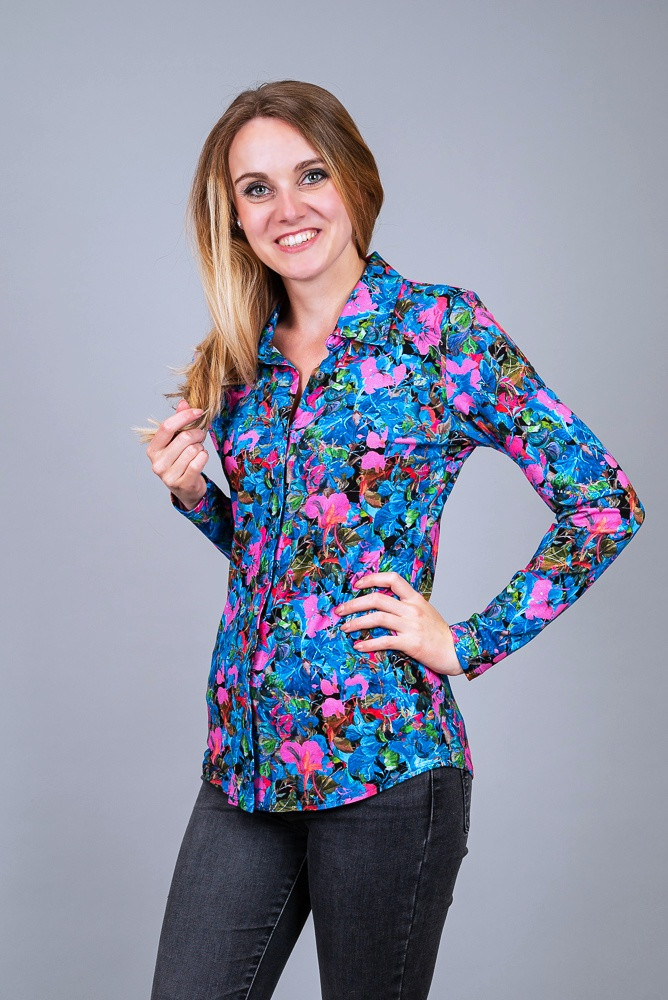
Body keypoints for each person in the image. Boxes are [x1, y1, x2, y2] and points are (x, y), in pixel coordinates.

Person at [135, 79, 646, 1000]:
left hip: (385, 763)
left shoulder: (441, 331)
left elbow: (603, 503)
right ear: (235, 217)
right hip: (246, 764)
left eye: (310, 175)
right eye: (257, 189)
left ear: (354, 180)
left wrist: (467, 642)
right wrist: (194, 494)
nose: (288, 208)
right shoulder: (238, 356)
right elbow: (285, 559)